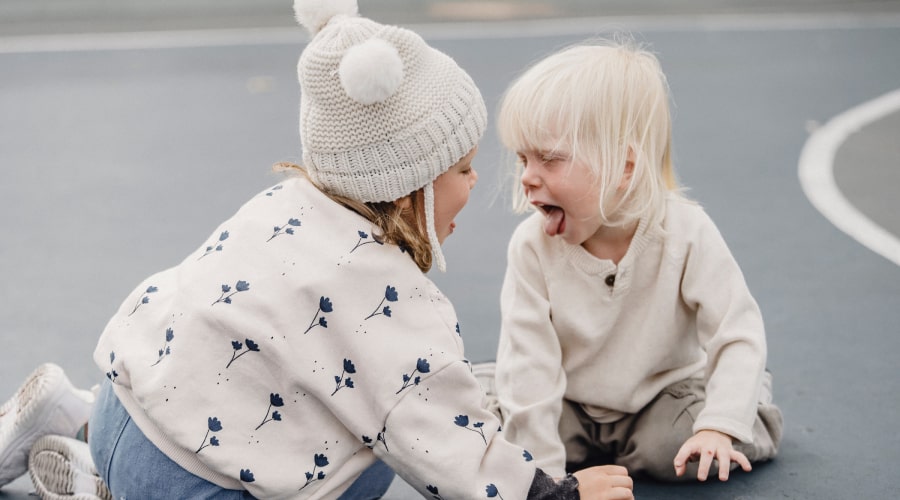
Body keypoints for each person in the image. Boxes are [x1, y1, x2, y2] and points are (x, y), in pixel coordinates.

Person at [0, 2, 636, 498]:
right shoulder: (387, 297)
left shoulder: (282, 205)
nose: (476, 182)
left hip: (123, 403)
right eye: (463, 169)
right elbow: (434, 437)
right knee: (371, 455)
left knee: (289, 380)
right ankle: (106, 490)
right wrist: (549, 494)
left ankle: (78, 423)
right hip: (188, 485)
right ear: (410, 186)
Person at [491, 39, 784, 484]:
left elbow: (736, 332)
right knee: (500, 435)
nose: (528, 176)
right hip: (570, 400)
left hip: (660, 398)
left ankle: (746, 406)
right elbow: (530, 366)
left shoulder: (686, 232)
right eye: (523, 158)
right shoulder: (532, 247)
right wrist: (545, 481)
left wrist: (718, 425)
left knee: (677, 451)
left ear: (624, 167)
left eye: (549, 158)